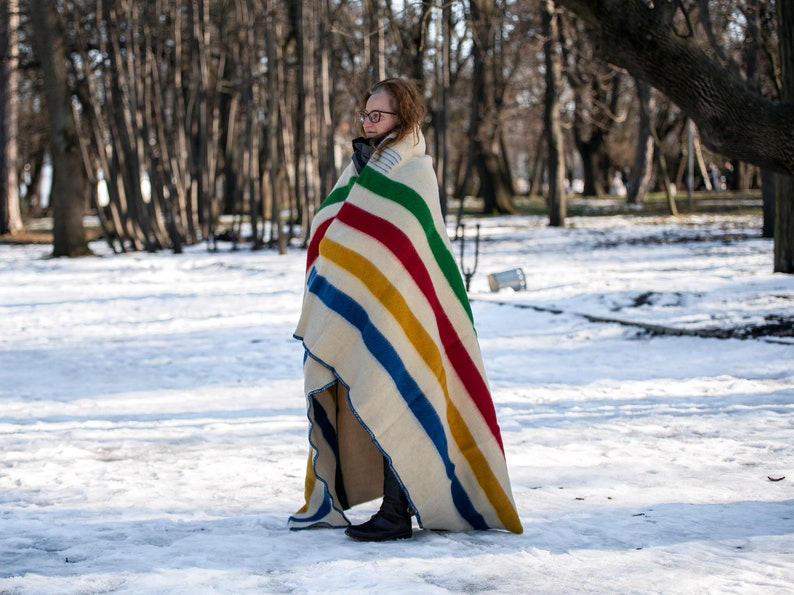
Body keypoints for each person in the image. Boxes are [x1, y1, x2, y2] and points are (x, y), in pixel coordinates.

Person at [289, 77, 522, 542]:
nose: (367, 122)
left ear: (404, 119)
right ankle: (391, 508)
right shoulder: (360, 167)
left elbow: (404, 240)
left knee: (403, 398)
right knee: (375, 398)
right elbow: (332, 227)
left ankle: (397, 513)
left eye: (378, 116)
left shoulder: (415, 172)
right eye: (365, 114)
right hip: (365, 312)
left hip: (404, 310)